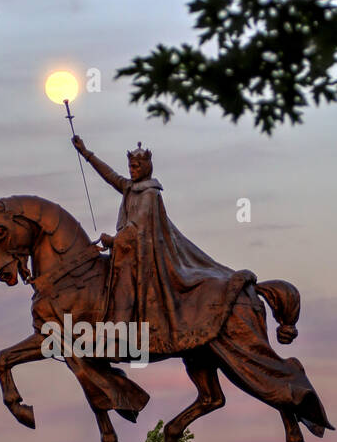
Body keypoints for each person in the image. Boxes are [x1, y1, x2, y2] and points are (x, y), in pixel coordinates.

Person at [71, 134, 255, 355]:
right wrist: (86, 153)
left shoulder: (149, 193)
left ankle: (119, 330)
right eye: (130, 166)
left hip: (141, 254)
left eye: (136, 166)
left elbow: (136, 227)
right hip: (126, 250)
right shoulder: (130, 187)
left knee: (125, 280)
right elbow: (110, 176)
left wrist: (114, 240)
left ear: (146, 166)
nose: (132, 170)